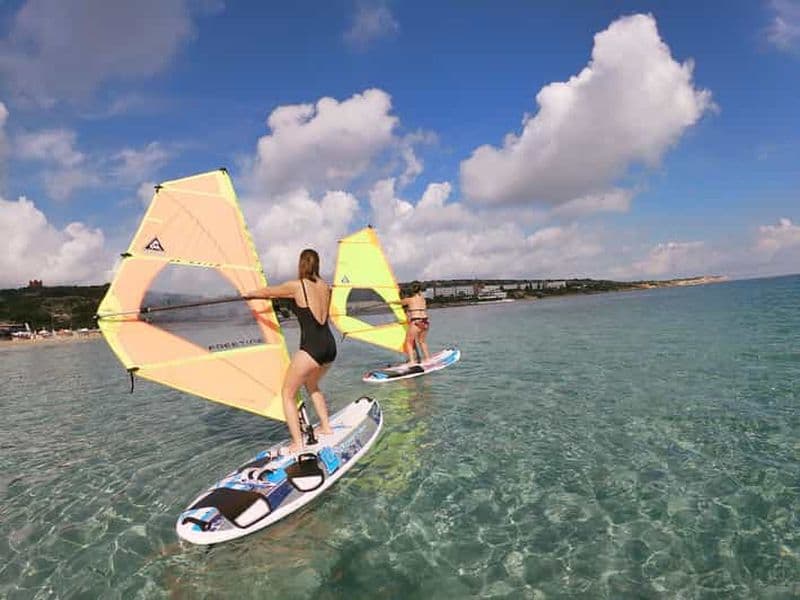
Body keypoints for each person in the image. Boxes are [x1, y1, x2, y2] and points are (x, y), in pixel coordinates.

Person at [248, 249, 336, 455]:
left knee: (287, 393)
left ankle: (298, 443)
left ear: (301, 264)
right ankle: (326, 427)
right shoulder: (326, 287)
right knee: (312, 384)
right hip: (330, 347)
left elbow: (268, 292)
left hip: (312, 348)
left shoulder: (296, 286)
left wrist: (249, 294)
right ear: (317, 264)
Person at [399, 282, 430, 363]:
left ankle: (412, 362)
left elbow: (399, 302)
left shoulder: (409, 300)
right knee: (422, 342)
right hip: (425, 321)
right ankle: (427, 359)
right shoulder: (423, 299)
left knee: (409, 342)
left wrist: (389, 302)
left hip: (416, 321)